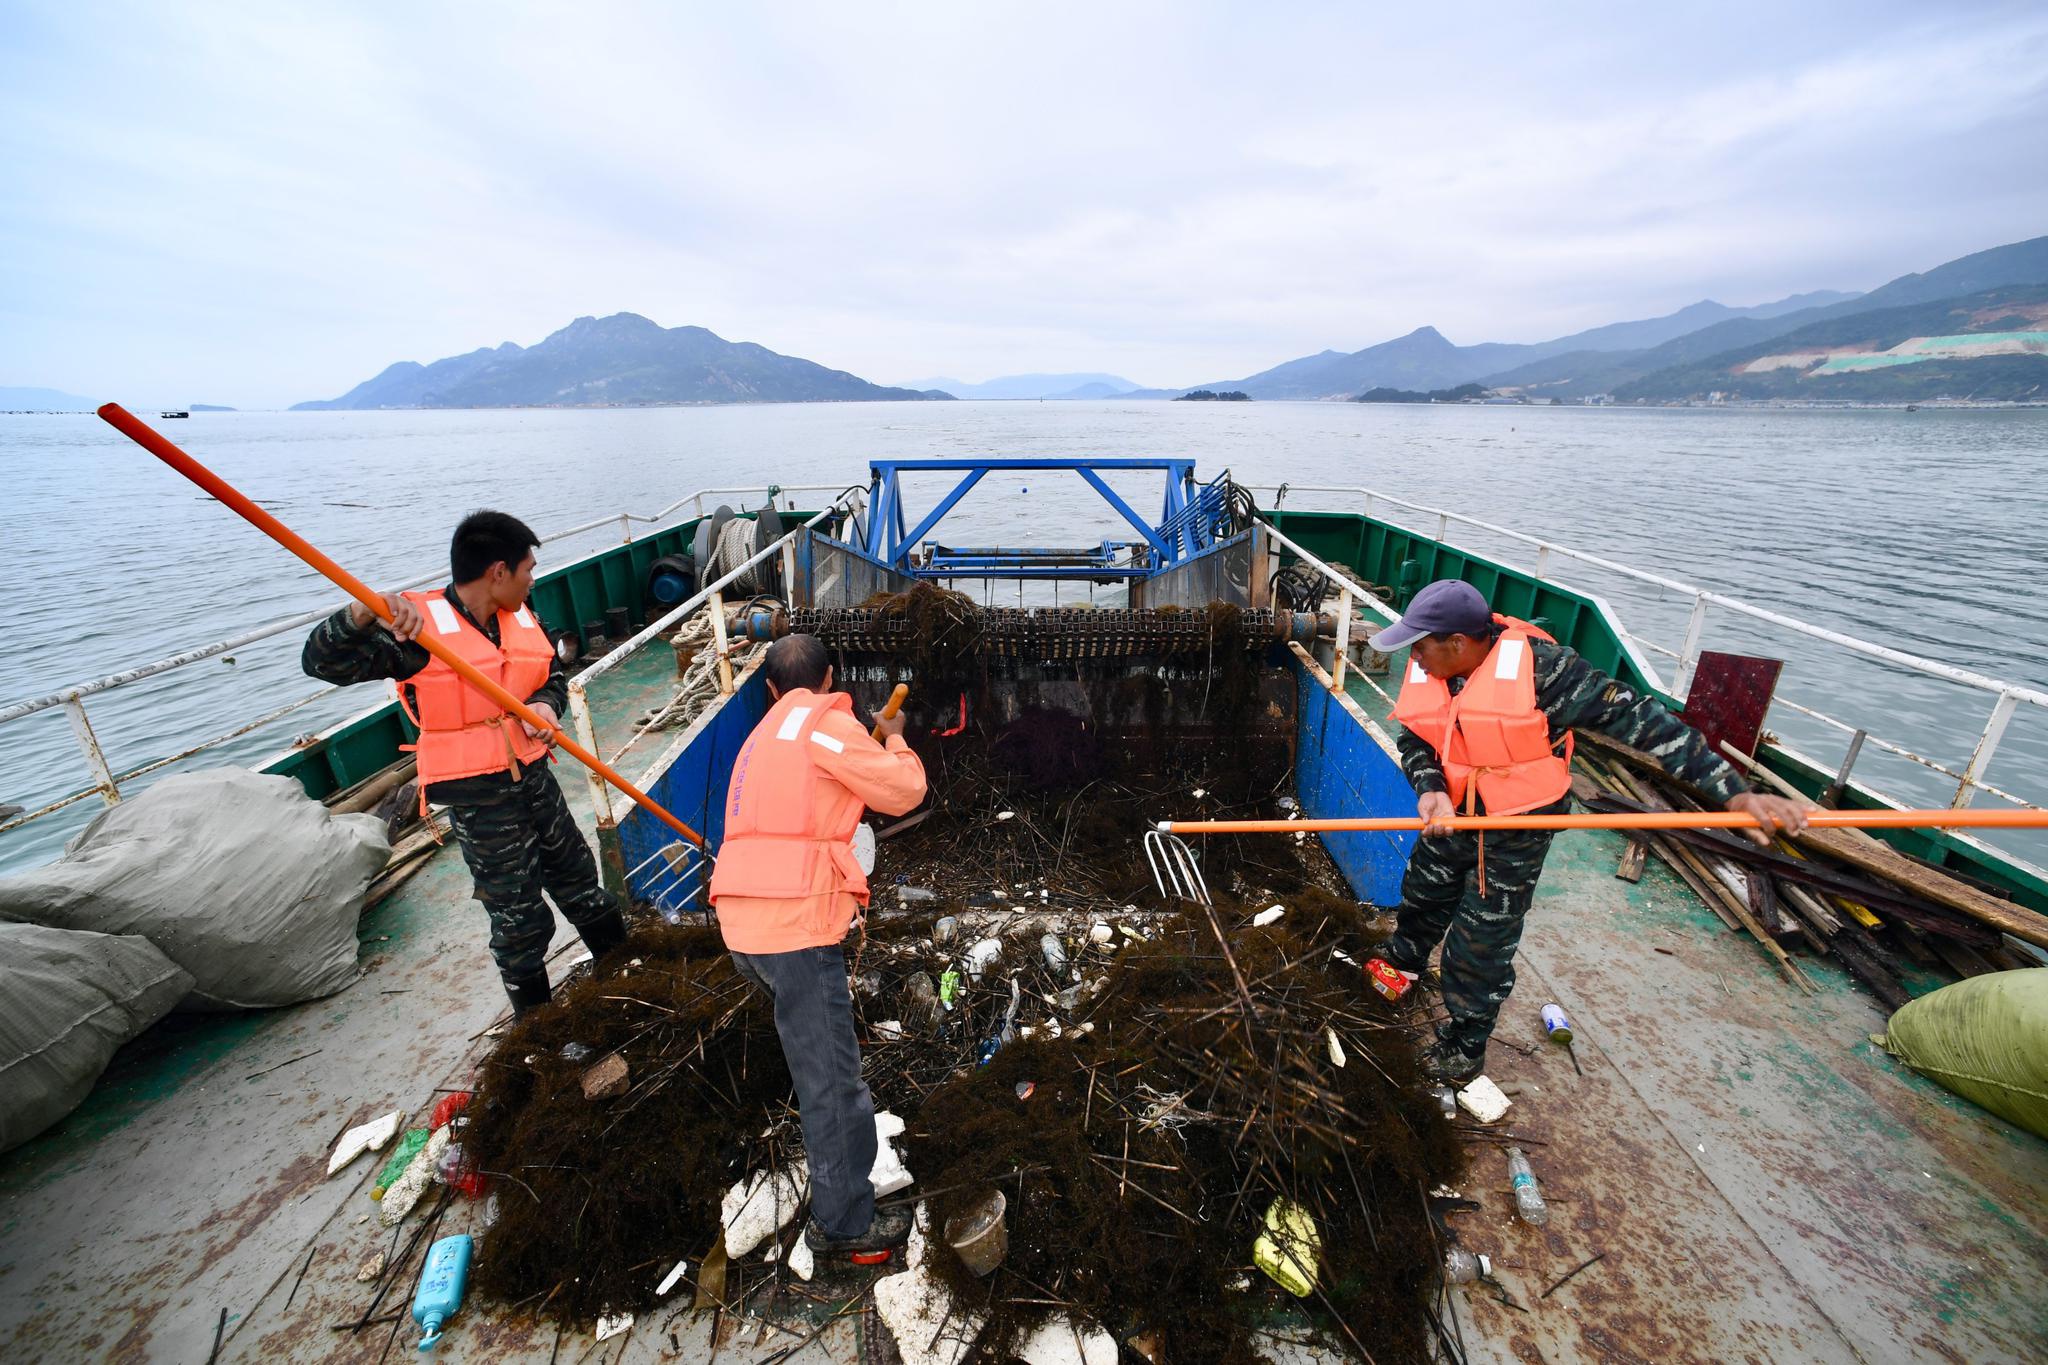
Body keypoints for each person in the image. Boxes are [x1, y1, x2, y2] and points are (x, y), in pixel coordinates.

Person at [1364, 579, 1811, 1083]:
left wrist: (1733, 793)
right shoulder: (1433, 668)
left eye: (1419, 647)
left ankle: (1464, 1048)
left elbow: (1645, 722)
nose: (1413, 658)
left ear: (1458, 643)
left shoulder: (1549, 673)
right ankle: (1403, 965)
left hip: (1515, 829)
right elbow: (1416, 735)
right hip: (1450, 816)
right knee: (1423, 896)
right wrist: (1429, 786)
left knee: (1481, 943)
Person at [301, 509, 627, 1015]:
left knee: (582, 884)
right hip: (480, 799)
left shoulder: (522, 615)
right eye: (528, 569)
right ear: (498, 572)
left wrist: (546, 704)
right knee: (519, 921)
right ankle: (539, 1030)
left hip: (534, 778)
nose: (533, 579)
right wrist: (362, 613)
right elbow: (322, 663)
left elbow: (551, 677)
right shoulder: (416, 634)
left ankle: (626, 972)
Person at [708, 634, 928, 1259]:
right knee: (831, 1085)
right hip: (794, 931)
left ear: (771, 689)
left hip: (742, 927)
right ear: (829, 678)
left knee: (822, 1066)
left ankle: (840, 1192)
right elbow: (904, 791)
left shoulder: (760, 739)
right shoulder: (826, 726)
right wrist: (894, 737)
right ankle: (842, 1225)